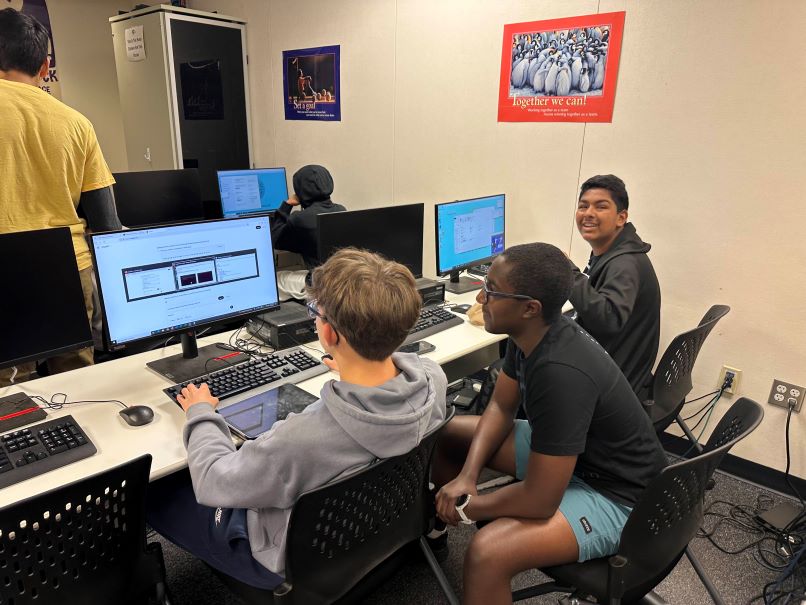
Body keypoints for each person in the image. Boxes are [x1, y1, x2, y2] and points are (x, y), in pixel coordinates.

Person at [146, 248, 448, 588]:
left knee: (155, 491)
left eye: (315, 311)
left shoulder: (300, 440)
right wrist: (353, 370)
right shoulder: (433, 378)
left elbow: (213, 480)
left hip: (291, 561)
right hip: (377, 525)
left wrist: (200, 412)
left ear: (329, 334)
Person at [433, 243, 666, 605]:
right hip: (582, 457)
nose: (480, 298)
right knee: (450, 434)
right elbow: (501, 406)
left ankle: (454, 517)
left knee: (488, 552)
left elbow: (540, 501)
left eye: (492, 291)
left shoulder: (559, 373)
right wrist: (467, 476)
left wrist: (468, 506)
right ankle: (436, 535)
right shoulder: (529, 332)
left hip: (622, 497)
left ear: (530, 307)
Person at [0, 8, 121, 386]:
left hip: (6, 270)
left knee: (10, 395)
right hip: (70, 268)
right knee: (76, 384)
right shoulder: (77, 123)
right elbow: (106, 223)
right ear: (45, 65)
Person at [569, 174, 661, 399]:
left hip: (610, 385)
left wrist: (567, 272)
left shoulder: (624, 264)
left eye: (601, 207)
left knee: (507, 367)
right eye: (583, 206)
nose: (588, 213)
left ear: (621, 218)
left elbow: (608, 320)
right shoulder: (614, 251)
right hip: (615, 367)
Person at [270, 164, 345, 268]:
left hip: (318, 276)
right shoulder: (341, 210)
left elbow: (274, 239)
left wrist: (287, 205)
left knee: (280, 275)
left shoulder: (299, 219)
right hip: (340, 272)